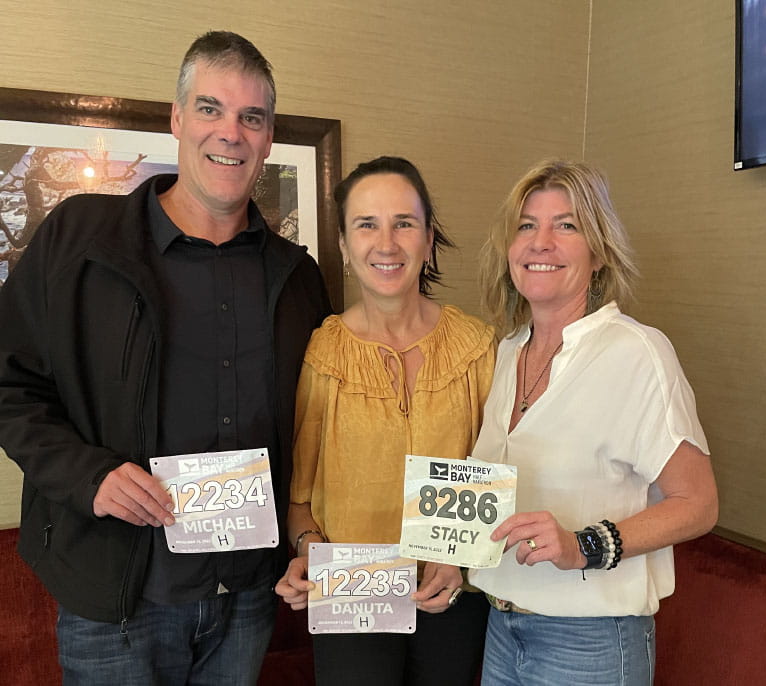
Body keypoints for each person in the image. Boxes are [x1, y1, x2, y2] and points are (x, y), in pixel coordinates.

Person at [0, 31, 330, 685]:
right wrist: (89, 477)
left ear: (266, 139)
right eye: (210, 109)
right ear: (177, 119)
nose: (230, 133)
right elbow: (9, 384)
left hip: (246, 601)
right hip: (117, 606)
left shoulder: (298, 277)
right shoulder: (79, 241)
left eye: (251, 118)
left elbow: (321, 423)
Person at [469, 159, 718, 685]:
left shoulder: (636, 351)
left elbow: (697, 504)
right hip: (501, 624)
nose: (541, 243)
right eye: (526, 226)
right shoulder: (506, 351)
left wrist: (583, 545)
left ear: (600, 252)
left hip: (590, 641)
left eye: (566, 225)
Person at [275, 156, 495, 685]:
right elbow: (300, 501)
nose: (387, 242)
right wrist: (309, 552)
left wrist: (460, 565)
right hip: (353, 598)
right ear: (345, 247)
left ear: (429, 238)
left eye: (404, 223)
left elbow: (499, 477)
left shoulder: (478, 348)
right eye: (366, 224)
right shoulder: (322, 353)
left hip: (455, 594)